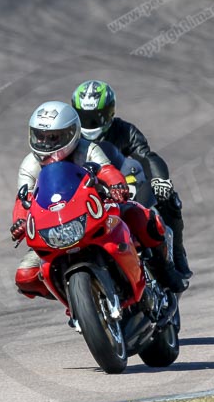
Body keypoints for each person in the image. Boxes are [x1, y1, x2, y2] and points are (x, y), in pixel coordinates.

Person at [11, 101, 188, 304]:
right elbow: (24, 200)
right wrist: (20, 222)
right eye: (39, 136)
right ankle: (77, 298)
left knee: (145, 220)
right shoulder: (29, 165)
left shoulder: (86, 149)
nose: (45, 143)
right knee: (25, 275)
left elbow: (107, 170)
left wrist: (117, 186)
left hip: (96, 211)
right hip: (57, 228)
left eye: (53, 137)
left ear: (71, 134)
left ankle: (166, 272)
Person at [70, 80, 193, 280]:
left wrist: (160, 181)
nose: (89, 123)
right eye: (83, 117)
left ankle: (177, 255)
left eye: (95, 117)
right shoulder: (71, 136)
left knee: (169, 199)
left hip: (122, 189)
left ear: (109, 113)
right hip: (85, 194)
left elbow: (146, 157)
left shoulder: (125, 131)